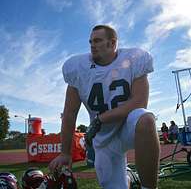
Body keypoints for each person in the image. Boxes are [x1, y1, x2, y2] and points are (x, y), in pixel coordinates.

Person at [49, 25, 160, 189]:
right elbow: (70, 113)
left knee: (145, 119)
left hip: (127, 126)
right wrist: (65, 152)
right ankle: (127, 177)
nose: (92, 45)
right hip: (104, 138)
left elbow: (139, 102)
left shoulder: (133, 59)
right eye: (90, 41)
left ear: (112, 43)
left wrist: (101, 119)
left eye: (98, 40)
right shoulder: (78, 68)